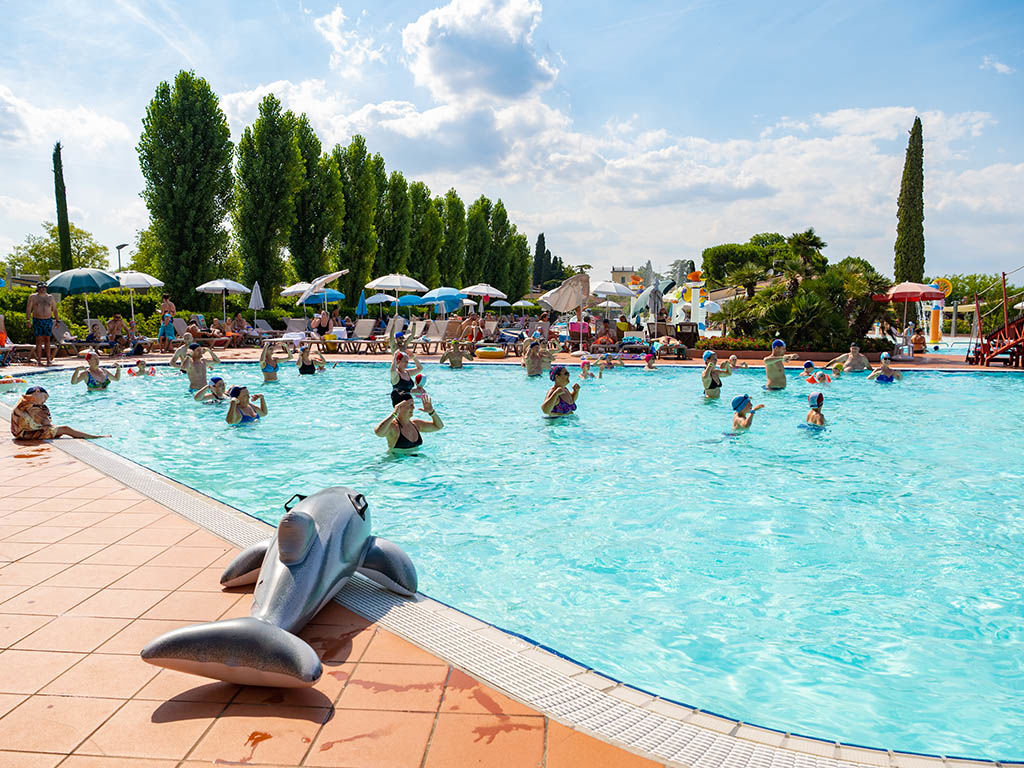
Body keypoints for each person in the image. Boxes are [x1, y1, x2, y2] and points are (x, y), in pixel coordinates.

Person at [11, 386, 106, 440]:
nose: (44, 401)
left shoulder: (24, 403)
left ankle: (88, 436)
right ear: (37, 391)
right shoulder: (28, 403)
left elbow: (42, 422)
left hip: (21, 433)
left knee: (58, 430)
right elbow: (46, 422)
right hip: (26, 434)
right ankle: (92, 437)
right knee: (65, 429)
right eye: (44, 397)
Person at [374, 391, 443, 450]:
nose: (413, 408)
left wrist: (432, 412)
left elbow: (439, 426)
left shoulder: (416, 424)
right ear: (399, 407)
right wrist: (394, 414)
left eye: (413, 405)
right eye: (410, 405)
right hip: (396, 460)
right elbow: (378, 433)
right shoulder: (393, 427)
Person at [25, 282, 57, 366]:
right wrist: (27, 320)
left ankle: (48, 359)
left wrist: (57, 320)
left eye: (44, 287)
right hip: (37, 320)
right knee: (38, 340)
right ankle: (39, 360)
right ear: (38, 288)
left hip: (48, 320)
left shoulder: (50, 297)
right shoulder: (33, 297)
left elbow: (54, 309)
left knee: (47, 340)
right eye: (41, 287)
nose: (43, 289)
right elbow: (29, 309)